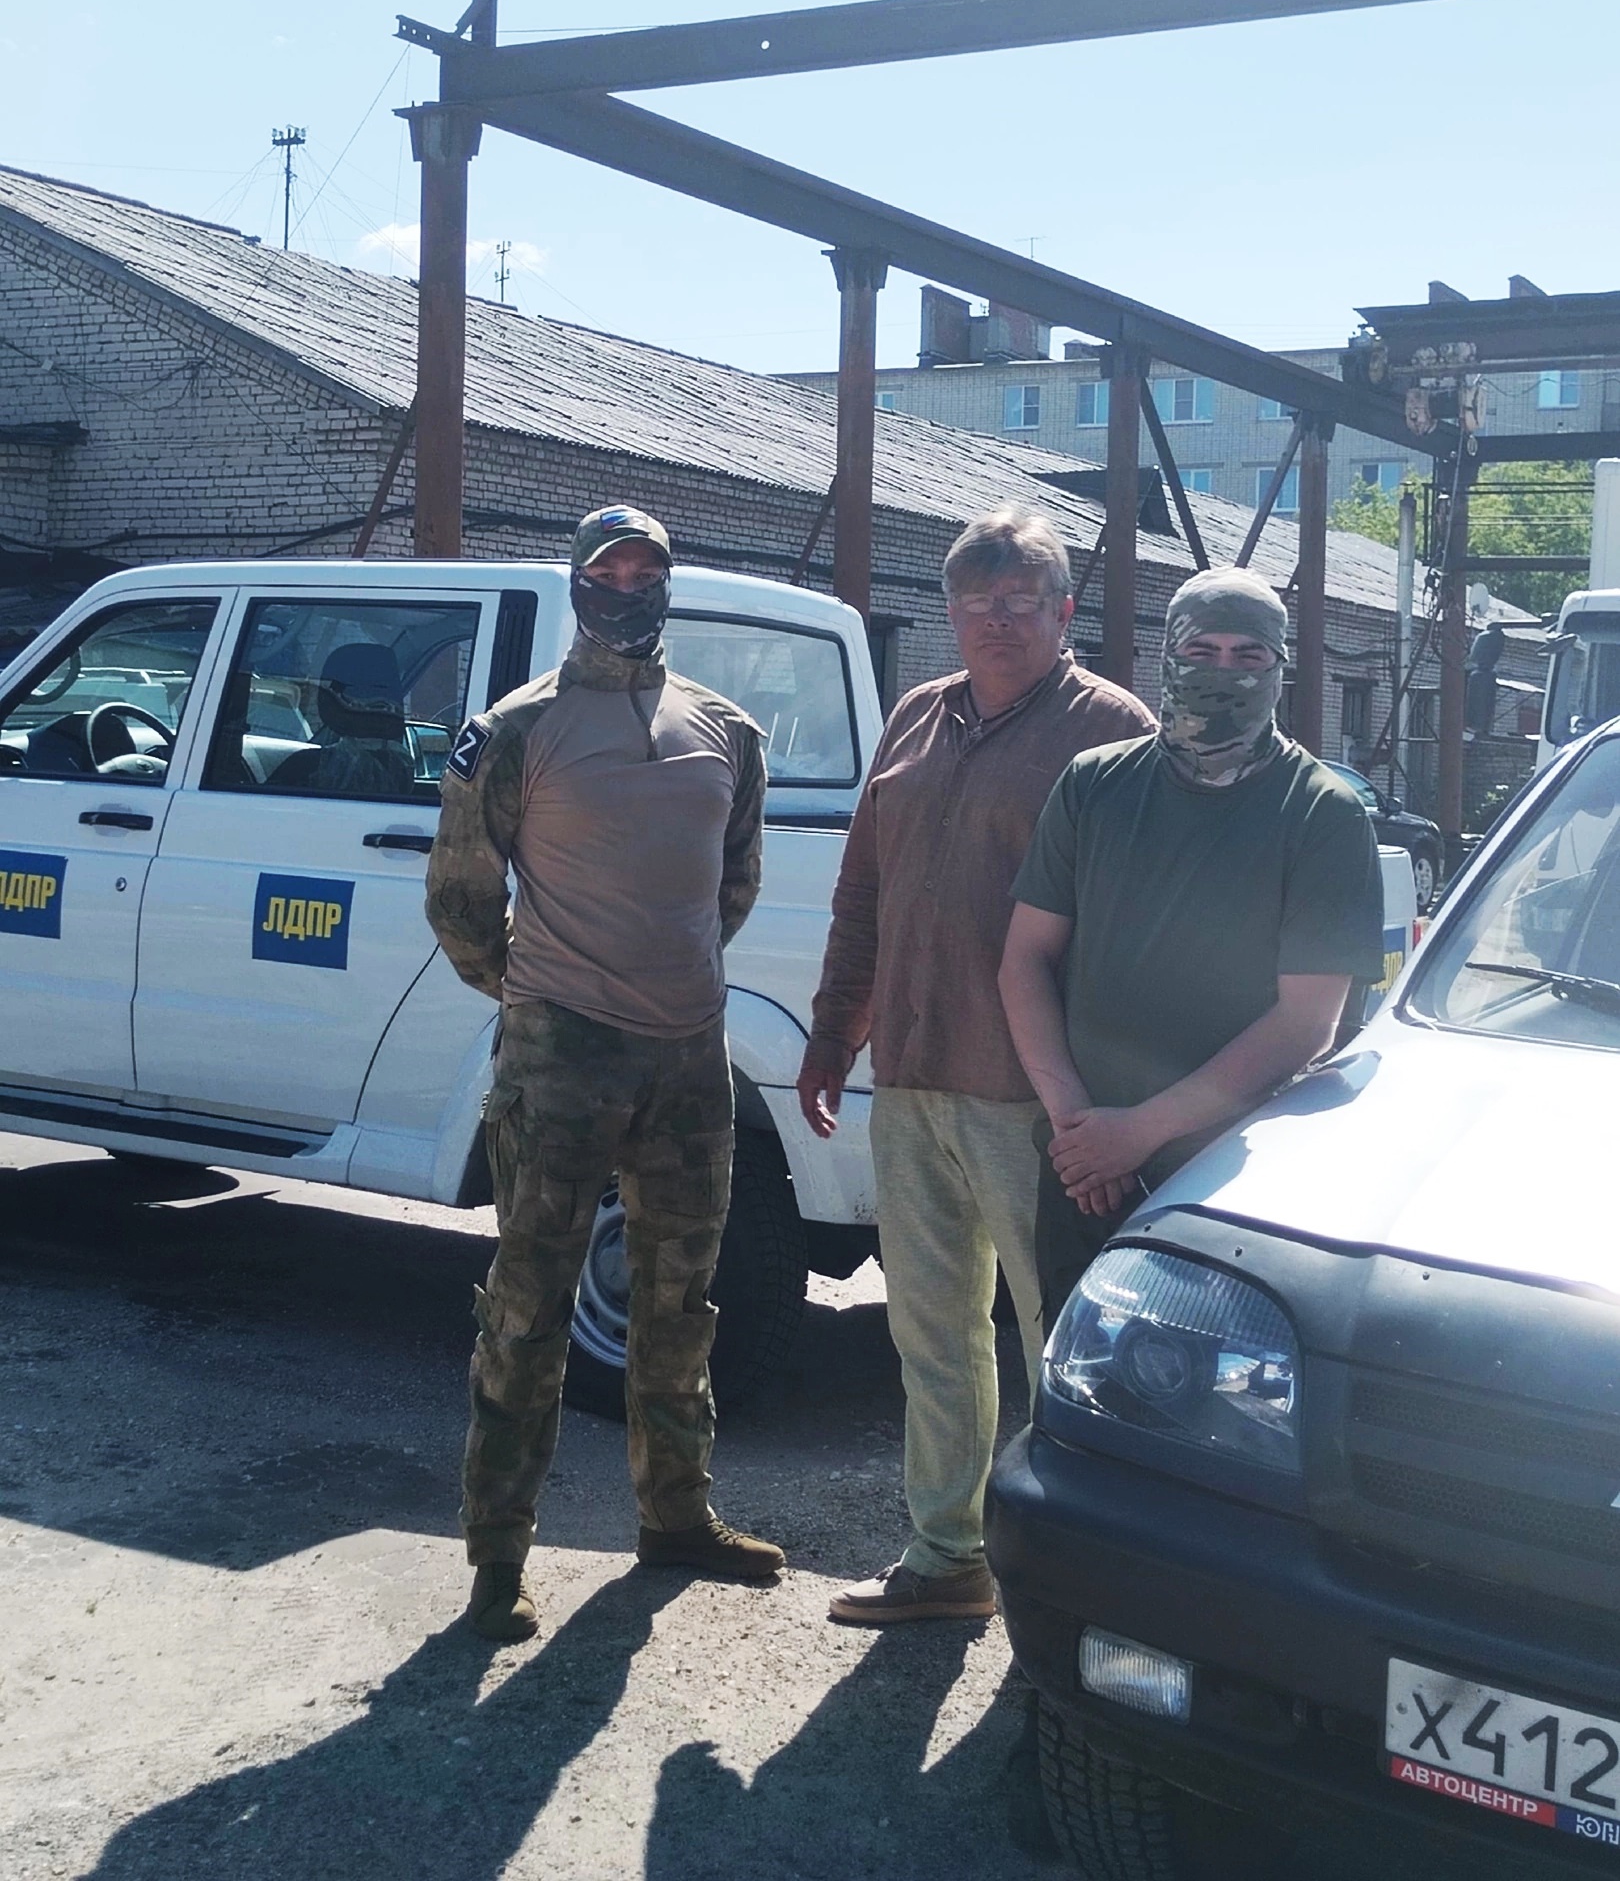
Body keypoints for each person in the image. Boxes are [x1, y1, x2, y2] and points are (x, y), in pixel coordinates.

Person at [426, 504, 783, 1645]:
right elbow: (461, 897)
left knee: (678, 1300)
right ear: (578, 584)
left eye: (646, 573)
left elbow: (732, 886)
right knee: (529, 1306)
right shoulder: (516, 729)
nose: (628, 589)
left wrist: (668, 979)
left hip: (689, 1056)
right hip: (561, 1056)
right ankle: (497, 1560)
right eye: (608, 573)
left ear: (668, 584)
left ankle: (676, 1517)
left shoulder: (727, 732)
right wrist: (540, 997)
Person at [797, 507, 1154, 1625]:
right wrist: (834, 1029)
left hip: (1036, 1098)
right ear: (948, 612)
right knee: (933, 1331)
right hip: (911, 1073)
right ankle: (947, 1557)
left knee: (1063, 1341)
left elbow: (1138, 933)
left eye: (1020, 601)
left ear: (1064, 611)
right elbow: (864, 889)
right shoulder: (917, 714)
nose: (997, 620)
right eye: (975, 601)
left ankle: (1079, 1588)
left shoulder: (1113, 730)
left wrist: (1109, 1103)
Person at [998, 566, 1386, 1326]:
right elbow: (1024, 961)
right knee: (1073, 1375)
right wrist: (1081, 1129)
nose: (1222, 672)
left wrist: (1138, 1134)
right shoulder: (1094, 785)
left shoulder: (1323, 814)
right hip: (1084, 1170)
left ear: (1280, 668)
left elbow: (1305, 1022)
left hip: (1232, 1180)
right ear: (1167, 657)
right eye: (1202, 651)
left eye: (1248, 656)